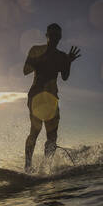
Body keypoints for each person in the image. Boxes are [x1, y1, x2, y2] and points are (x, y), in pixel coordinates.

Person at [23, 23, 81, 173]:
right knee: (35, 130)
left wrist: (68, 63)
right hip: (36, 95)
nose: (55, 38)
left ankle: (45, 169)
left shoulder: (62, 56)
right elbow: (25, 70)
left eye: (58, 36)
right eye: (52, 35)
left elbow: (65, 77)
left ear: (60, 37)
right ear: (47, 35)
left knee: (52, 136)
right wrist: (40, 59)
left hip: (52, 98)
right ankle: (28, 167)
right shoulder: (36, 49)